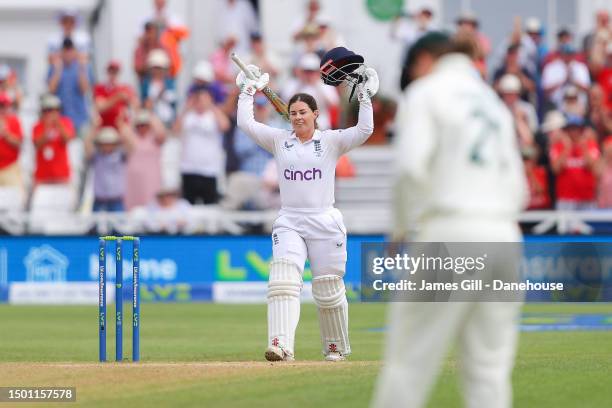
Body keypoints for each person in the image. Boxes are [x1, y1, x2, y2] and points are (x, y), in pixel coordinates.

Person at [373, 32, 527, 408]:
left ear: (425, 59)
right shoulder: (491, 101)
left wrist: (400, 226)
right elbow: (520, 185)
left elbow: (410, 168)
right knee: (488, 372)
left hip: (453, 227)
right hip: (505, 234)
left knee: (409, 363)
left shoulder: (427, 92)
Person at [235, 57, 378, 361]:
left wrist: (364, 97)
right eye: (293, 113)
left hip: (324, 220)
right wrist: (247, 92)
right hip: (290, 220)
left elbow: (365, 129)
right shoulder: (279, 141)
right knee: (283, 281)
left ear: (315, 114)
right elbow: (246, 123)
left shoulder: (330, 142)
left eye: (303, 113)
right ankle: (280, 344)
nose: (298, 117)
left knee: (327, 289)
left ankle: (335, 346)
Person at [174, 85, 230, 204]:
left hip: (209, 170)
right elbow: (175, 130)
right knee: (188, 206)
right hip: (188, 168)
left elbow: (225, 126)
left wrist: (212, 106)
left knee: (210, 207)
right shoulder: (188, 116)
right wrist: (186, 108)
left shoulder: (213, 115)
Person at [47, 38, 93, 136]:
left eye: (70, 50)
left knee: (82, 148)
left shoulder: (83, 67)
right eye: (65, 50)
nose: (68, 53)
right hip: (61, 118)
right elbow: (51, 90)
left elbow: (84, 90)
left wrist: (81, 68)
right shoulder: (54, 67)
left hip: (80, 117)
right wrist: (57, 70)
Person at [84, 125, 134, 212]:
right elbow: (86, 145)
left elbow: (131, 146)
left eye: (110, 143)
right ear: (100, 144)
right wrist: (93, 129)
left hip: (116, 200)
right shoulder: (96, 156)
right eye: (104, 143)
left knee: (119, 225)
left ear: (115, 144)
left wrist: (122, 128)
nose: (107, 146)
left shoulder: (120, 155)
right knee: (95, 224)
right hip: (99, 200)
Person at [124, 110, 166, 210]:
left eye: (145, 124)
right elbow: (125, 132)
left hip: (152, 181)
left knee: (152, 208)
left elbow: (161, 132)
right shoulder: (132, 138)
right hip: (133, 182)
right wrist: (134, 118)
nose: (142, 127)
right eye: (140, 125)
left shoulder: (155, 139)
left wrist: (149, 114)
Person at [94, 60, 138, 130]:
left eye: (115, 72)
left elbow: (135, 106)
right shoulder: (100, 88)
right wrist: (118, 97)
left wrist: (128, 102)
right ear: (107, 72)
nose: (113, 74)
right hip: (104, 125)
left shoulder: (125, 87)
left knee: (128, 133)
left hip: (121, 125)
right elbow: (100, 107)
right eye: (111, 71)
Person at [0, 92, 23, 191]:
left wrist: (5, 133)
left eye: (4, 106)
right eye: (1, 106)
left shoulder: (14, 121)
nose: (2, 109)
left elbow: (19, 144)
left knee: (14, 198)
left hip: (10, 167)